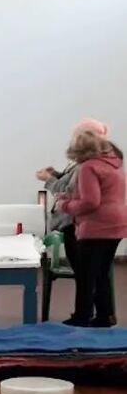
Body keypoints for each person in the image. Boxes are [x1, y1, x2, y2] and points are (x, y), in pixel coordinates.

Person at [57, 119, 127, 327]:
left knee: (86, 275)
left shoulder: (88, 167)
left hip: (96, 227)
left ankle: (82, 316)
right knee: (102, 273)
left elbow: (90, 202)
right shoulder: (114, 165)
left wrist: (66, 205)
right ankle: (105, 316)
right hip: (117, 225)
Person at [37, 160, 80, 274]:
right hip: (72, 221)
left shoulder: (84, 166)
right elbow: (69, 182)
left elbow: (66, 190)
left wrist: (49, 179)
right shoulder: (80, 165)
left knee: (81, 271)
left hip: (73, 221)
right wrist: (56, 175)